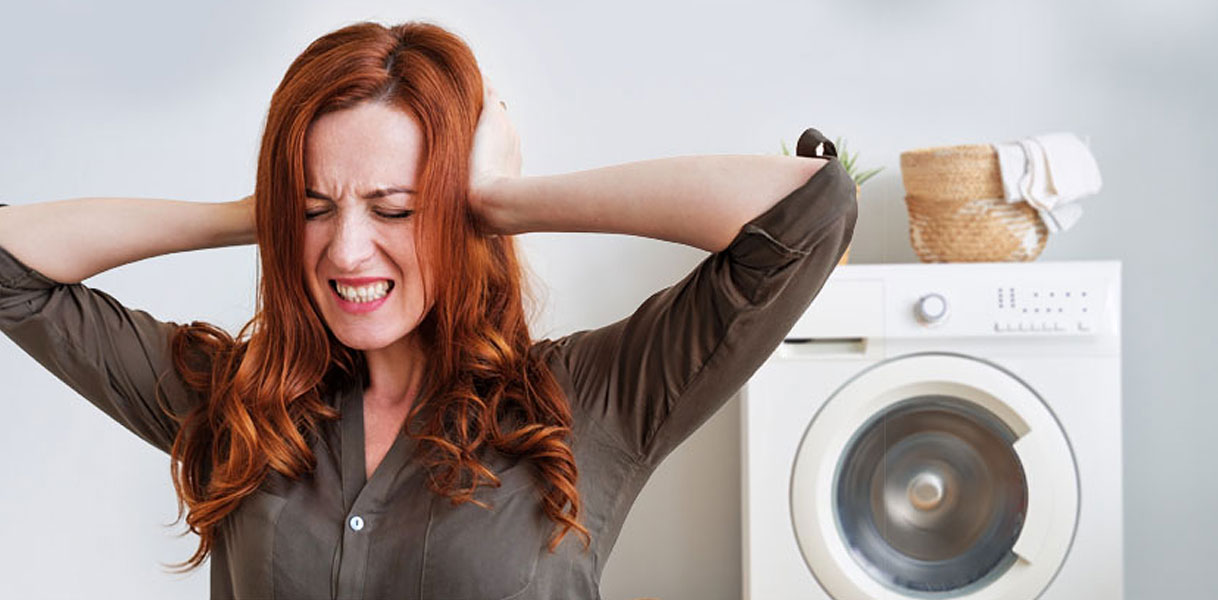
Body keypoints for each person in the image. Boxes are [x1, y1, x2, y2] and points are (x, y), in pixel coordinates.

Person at [0, 19, 856, 600]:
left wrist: (497, 196)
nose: (345, 251)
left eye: (396, 209)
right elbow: (12, 267)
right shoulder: (236, 403)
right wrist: (262, 209)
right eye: (315, 210)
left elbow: (806, 212)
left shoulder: (589, 399)